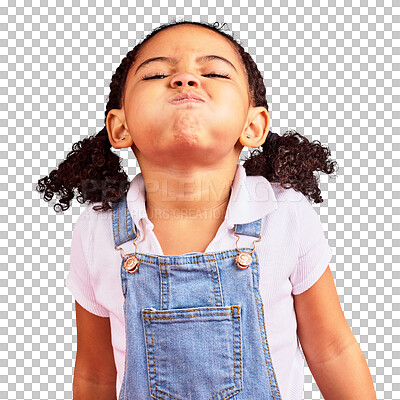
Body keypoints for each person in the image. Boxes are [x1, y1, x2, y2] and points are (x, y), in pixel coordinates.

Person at [36, 19, 376, 400]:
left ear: (253, 124)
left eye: (213, 72)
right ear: (120, 127)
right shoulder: (97, 230)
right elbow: (95, 373)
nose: (184, 79)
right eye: (157, 74)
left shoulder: (284, 215)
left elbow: (332, 350)